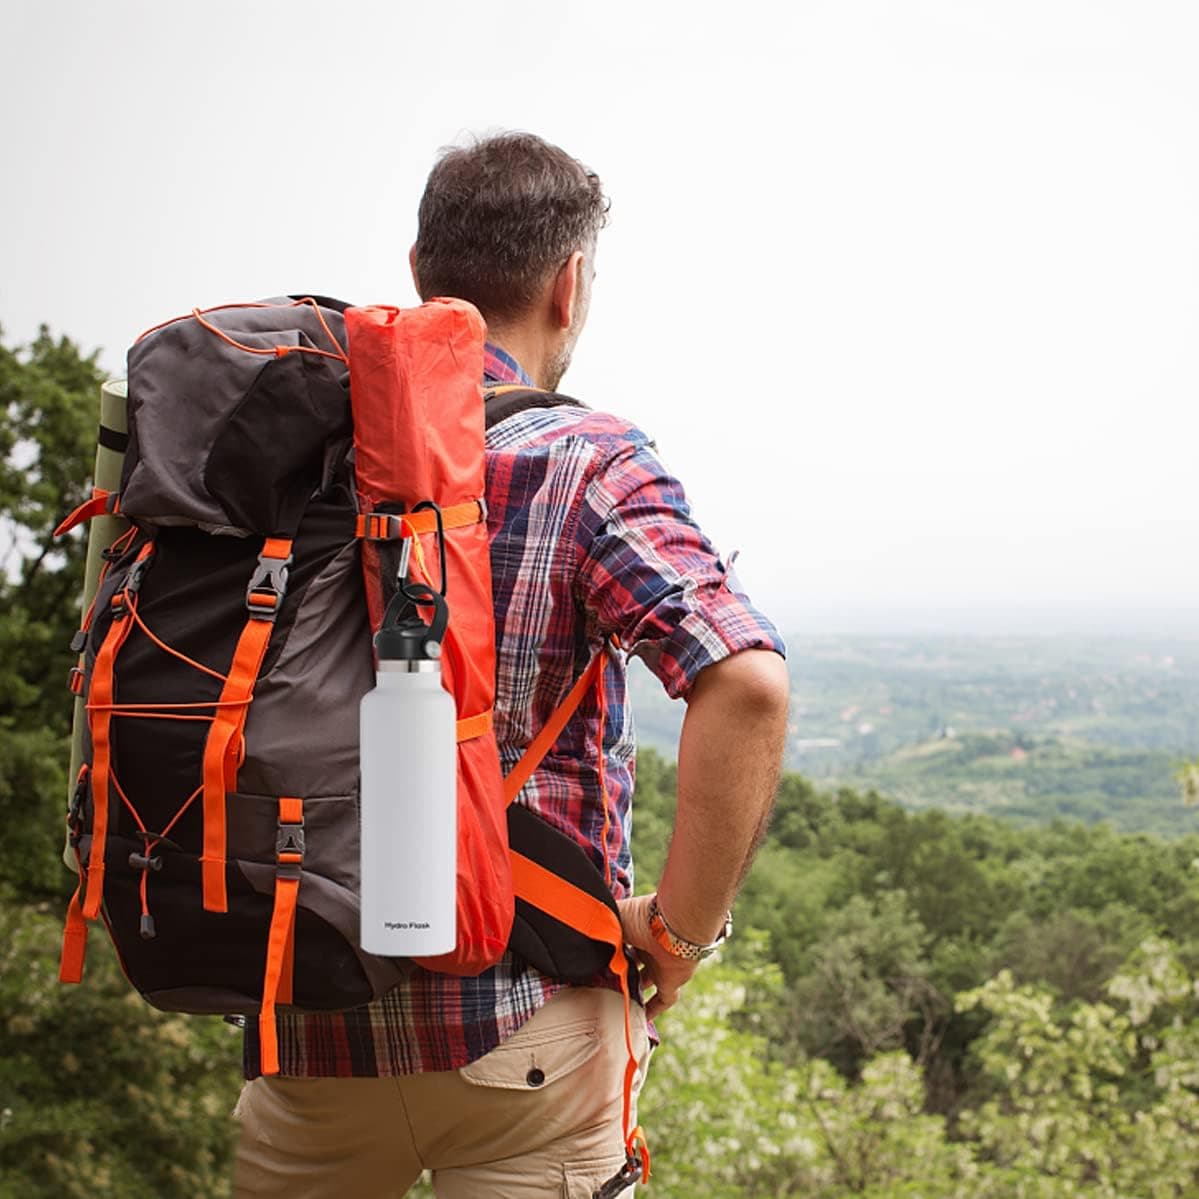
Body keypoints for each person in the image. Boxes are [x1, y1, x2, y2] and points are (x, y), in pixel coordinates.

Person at [233, 132, 789, 1199]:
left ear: (416, 272)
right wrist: (674, 934)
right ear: (567, 285)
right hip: (526, 1029)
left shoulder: (283, 453)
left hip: (305, 1028)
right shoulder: (586, 460)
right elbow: (745, 682)